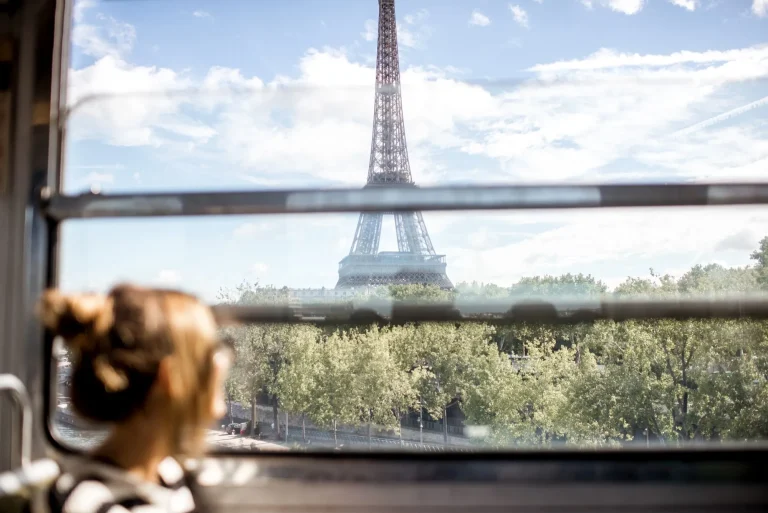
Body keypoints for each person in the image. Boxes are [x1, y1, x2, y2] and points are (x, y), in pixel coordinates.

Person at [38, 284, 232, 513]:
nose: (221, 365)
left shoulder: (168, 473)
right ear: (170, 378)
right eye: (209, 357)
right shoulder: (94, 504)